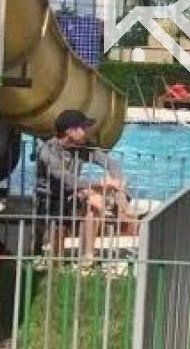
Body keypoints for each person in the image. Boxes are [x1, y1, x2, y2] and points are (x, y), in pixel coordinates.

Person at [34, 109, 126, 255]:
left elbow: (111, 163)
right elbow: (65, 179)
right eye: (83, 128)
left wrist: (118, 183)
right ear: (70, 131)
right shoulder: (47, 150)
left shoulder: (83, 147)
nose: (86, 131)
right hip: (49, 198)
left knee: (95, 202)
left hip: (71, 195)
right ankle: (50, 256)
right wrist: (99, 184)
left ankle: (87, 257)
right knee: (57, 224)